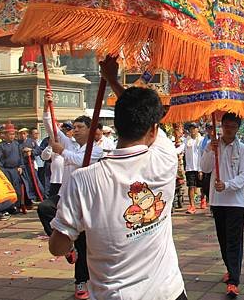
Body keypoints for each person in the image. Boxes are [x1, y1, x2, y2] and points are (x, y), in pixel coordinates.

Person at [48, 57, 186, 300]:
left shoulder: (83, 181)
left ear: (116, 126)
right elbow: (142, 117)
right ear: (154, 130)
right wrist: (112, 79)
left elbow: (57, 247)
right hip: (169, 291)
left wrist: (75, 239)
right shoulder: (165, 159)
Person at [39, 95, 104, 300]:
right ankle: (67, 246)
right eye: (73, 127)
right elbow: (52, 128)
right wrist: (47, 104)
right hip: (63, 197)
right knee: (44, 208)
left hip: (85, 202)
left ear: (90, 130)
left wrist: (62, 151)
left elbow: (81, 161)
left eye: (79, 127)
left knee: (84, 244)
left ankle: (81, 282)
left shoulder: (97, 150)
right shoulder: (69, 144)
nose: (74, 130)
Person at [201, 112, 244, 298]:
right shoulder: (212, 146)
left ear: (238, 128)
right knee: (223, 239)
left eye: (232, 126)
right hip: (217, 201)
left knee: (234, 241)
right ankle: (230, 269)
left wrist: (227, 185)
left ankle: (233, 281)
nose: (228, 129)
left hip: (236, 202)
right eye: (226, 126)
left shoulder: (243, 150)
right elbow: (205, 168)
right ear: (221, 126)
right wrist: (209, 150)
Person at [0, 123, 25, 216]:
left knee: (17, 189)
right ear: (5, 135)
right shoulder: (1, 145)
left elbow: (21, 157)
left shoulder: (17, 144)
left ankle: (17, 206)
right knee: (9, 189)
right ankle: (9, 207)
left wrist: (21, 166)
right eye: (10, 134)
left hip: (16, 170)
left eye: (13, 134)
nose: (12, 136)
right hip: (5, 170)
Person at [177, 123, 205, 214]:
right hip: (190, 168)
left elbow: (204, 155)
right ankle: (192, 205)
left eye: (194, 128)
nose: (192, 130)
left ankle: (203, 199)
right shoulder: (186, 141)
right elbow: (180, 149)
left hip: (200, 167)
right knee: (191, 186)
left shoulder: (202, 140)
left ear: (197, 129)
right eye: (191, 129)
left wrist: (201, 169)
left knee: (203, 187)